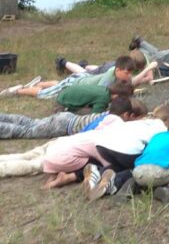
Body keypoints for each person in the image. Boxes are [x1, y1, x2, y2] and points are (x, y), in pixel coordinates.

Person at [0, 98, 144, 179]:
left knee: (29, 137)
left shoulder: (106, 118)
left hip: (65, 136)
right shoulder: (117, 128)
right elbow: (107, 160)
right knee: (34, 163)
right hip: (65, 138)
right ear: (126, 115)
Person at [0, 82, 135, 140]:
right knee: (27, 131)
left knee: (31, 122)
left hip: (66, 116)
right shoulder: (108, 117)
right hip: (63, 125)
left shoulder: (105, 109)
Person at [6, 55, 156, 99]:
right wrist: (148, 69)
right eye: (127, 73)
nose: (129, 76)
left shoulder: (121, 75)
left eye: (130, 73)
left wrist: (142, 77)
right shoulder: (109, 76)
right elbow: (101, 92)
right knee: (46, 95)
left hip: (79, 79)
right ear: (118, 70)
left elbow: (131, 83)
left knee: (58, 84)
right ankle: (19, 90)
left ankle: (39, 83)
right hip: (75, 84)